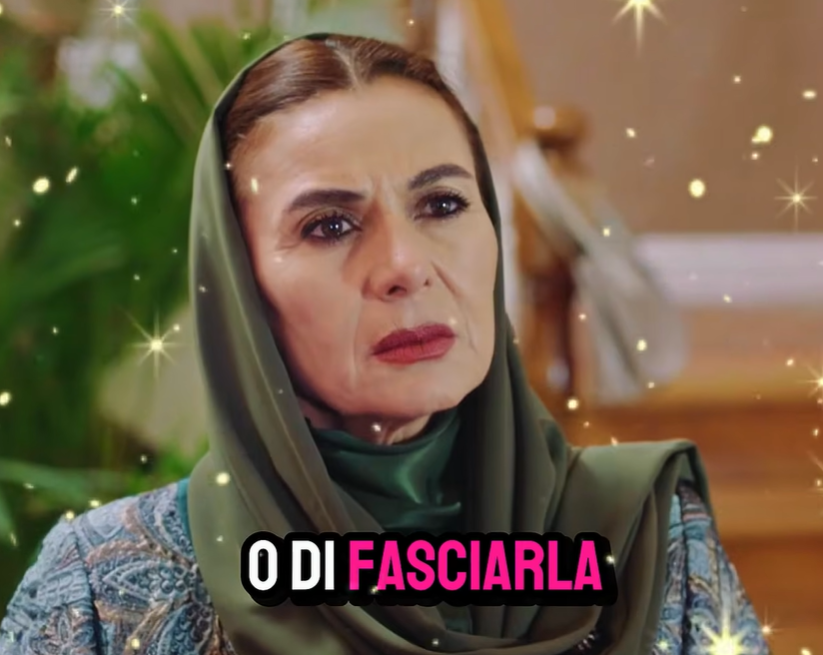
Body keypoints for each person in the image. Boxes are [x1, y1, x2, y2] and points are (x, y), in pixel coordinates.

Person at [0, 34, 769, 655]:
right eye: (328, 224)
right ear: (237, 285)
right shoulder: (109, 581)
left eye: (442, 203)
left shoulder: (645, 539)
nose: (405, 265)